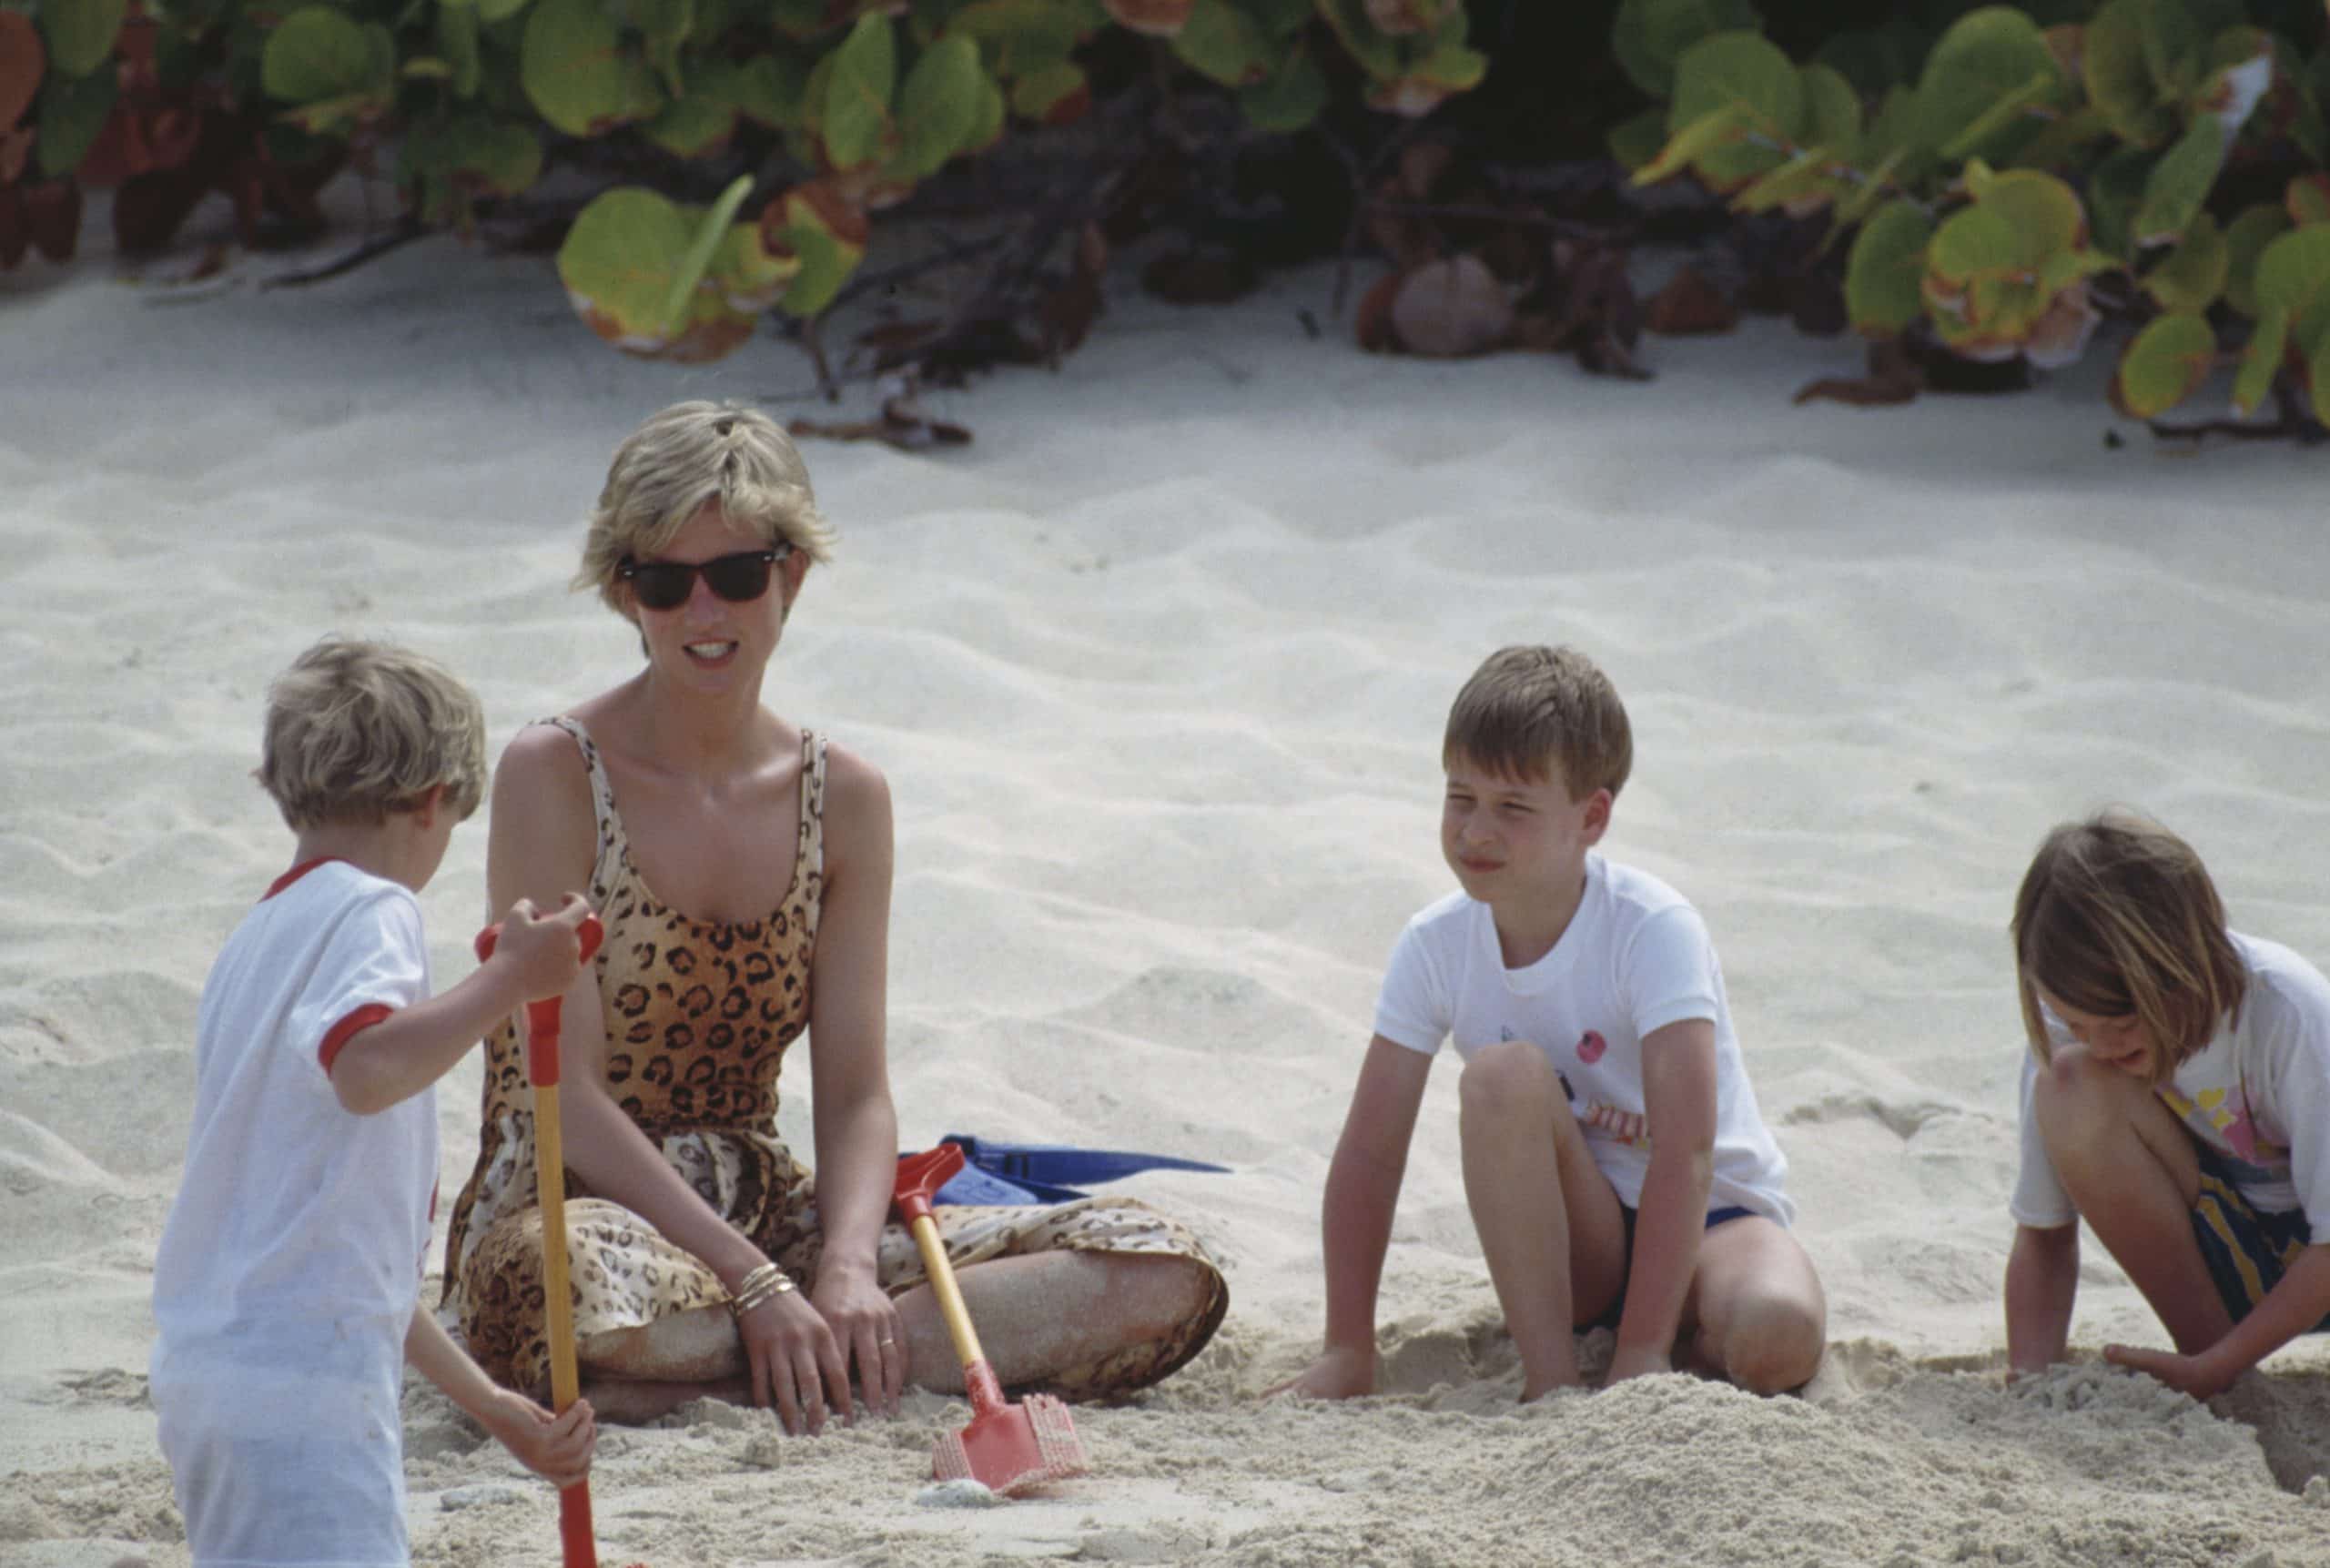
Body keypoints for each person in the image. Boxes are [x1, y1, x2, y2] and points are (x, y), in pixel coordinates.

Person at [441, 400, 1226, 1436]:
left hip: (766, 1201)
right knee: (575, 1284)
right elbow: (567, 1102)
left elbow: (857, 1094)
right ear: (624, 591)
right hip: (580, 1203)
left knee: (1161, 1265)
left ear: (792, 574)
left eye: (735, 574)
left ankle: (778, 1361)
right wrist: (757, 1283)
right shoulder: (555, 772)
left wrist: (846, 1268)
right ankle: (827, 1359)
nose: (701, 611)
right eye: (664, 583)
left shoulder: (845, 795)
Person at [1273, 644, 1826, 1403]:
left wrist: (1639, 1351)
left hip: (1716, 1220)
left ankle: (1675, 1337)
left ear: (1591, 817)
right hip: (1581, 1239)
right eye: (1459, 796)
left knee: (1778, 1334)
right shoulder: (1435, 944)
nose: (1475, 831)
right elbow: (1370, 1153)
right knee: (1501, 1077)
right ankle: (1551, 1386)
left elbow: (1687, 1153)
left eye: (1513, 807)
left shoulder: (1652, 927)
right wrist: (1347, 1345)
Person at [150, 638, 599, 1567]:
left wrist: (489, 1404)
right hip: (304, 1393)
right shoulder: (371, 912)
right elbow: (365, 1068)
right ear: (431, 801)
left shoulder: (255, 944)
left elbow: (348, 1262)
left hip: (215, 1372)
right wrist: (509, 979)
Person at [2003, 810, 2330, 1399]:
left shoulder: (2288, 1011)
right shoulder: (2071, 1034)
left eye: (2123, 1022)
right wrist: (2029, 1384)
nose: (2100, 1044)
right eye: (2077, 1020)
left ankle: (2218, 1368)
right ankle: (2221, 1378)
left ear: (2190, 966)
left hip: (2319, 1248)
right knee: (2069, 1083)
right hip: (2238, 1252)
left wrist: (2223, 1359)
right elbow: (2045, 1234)